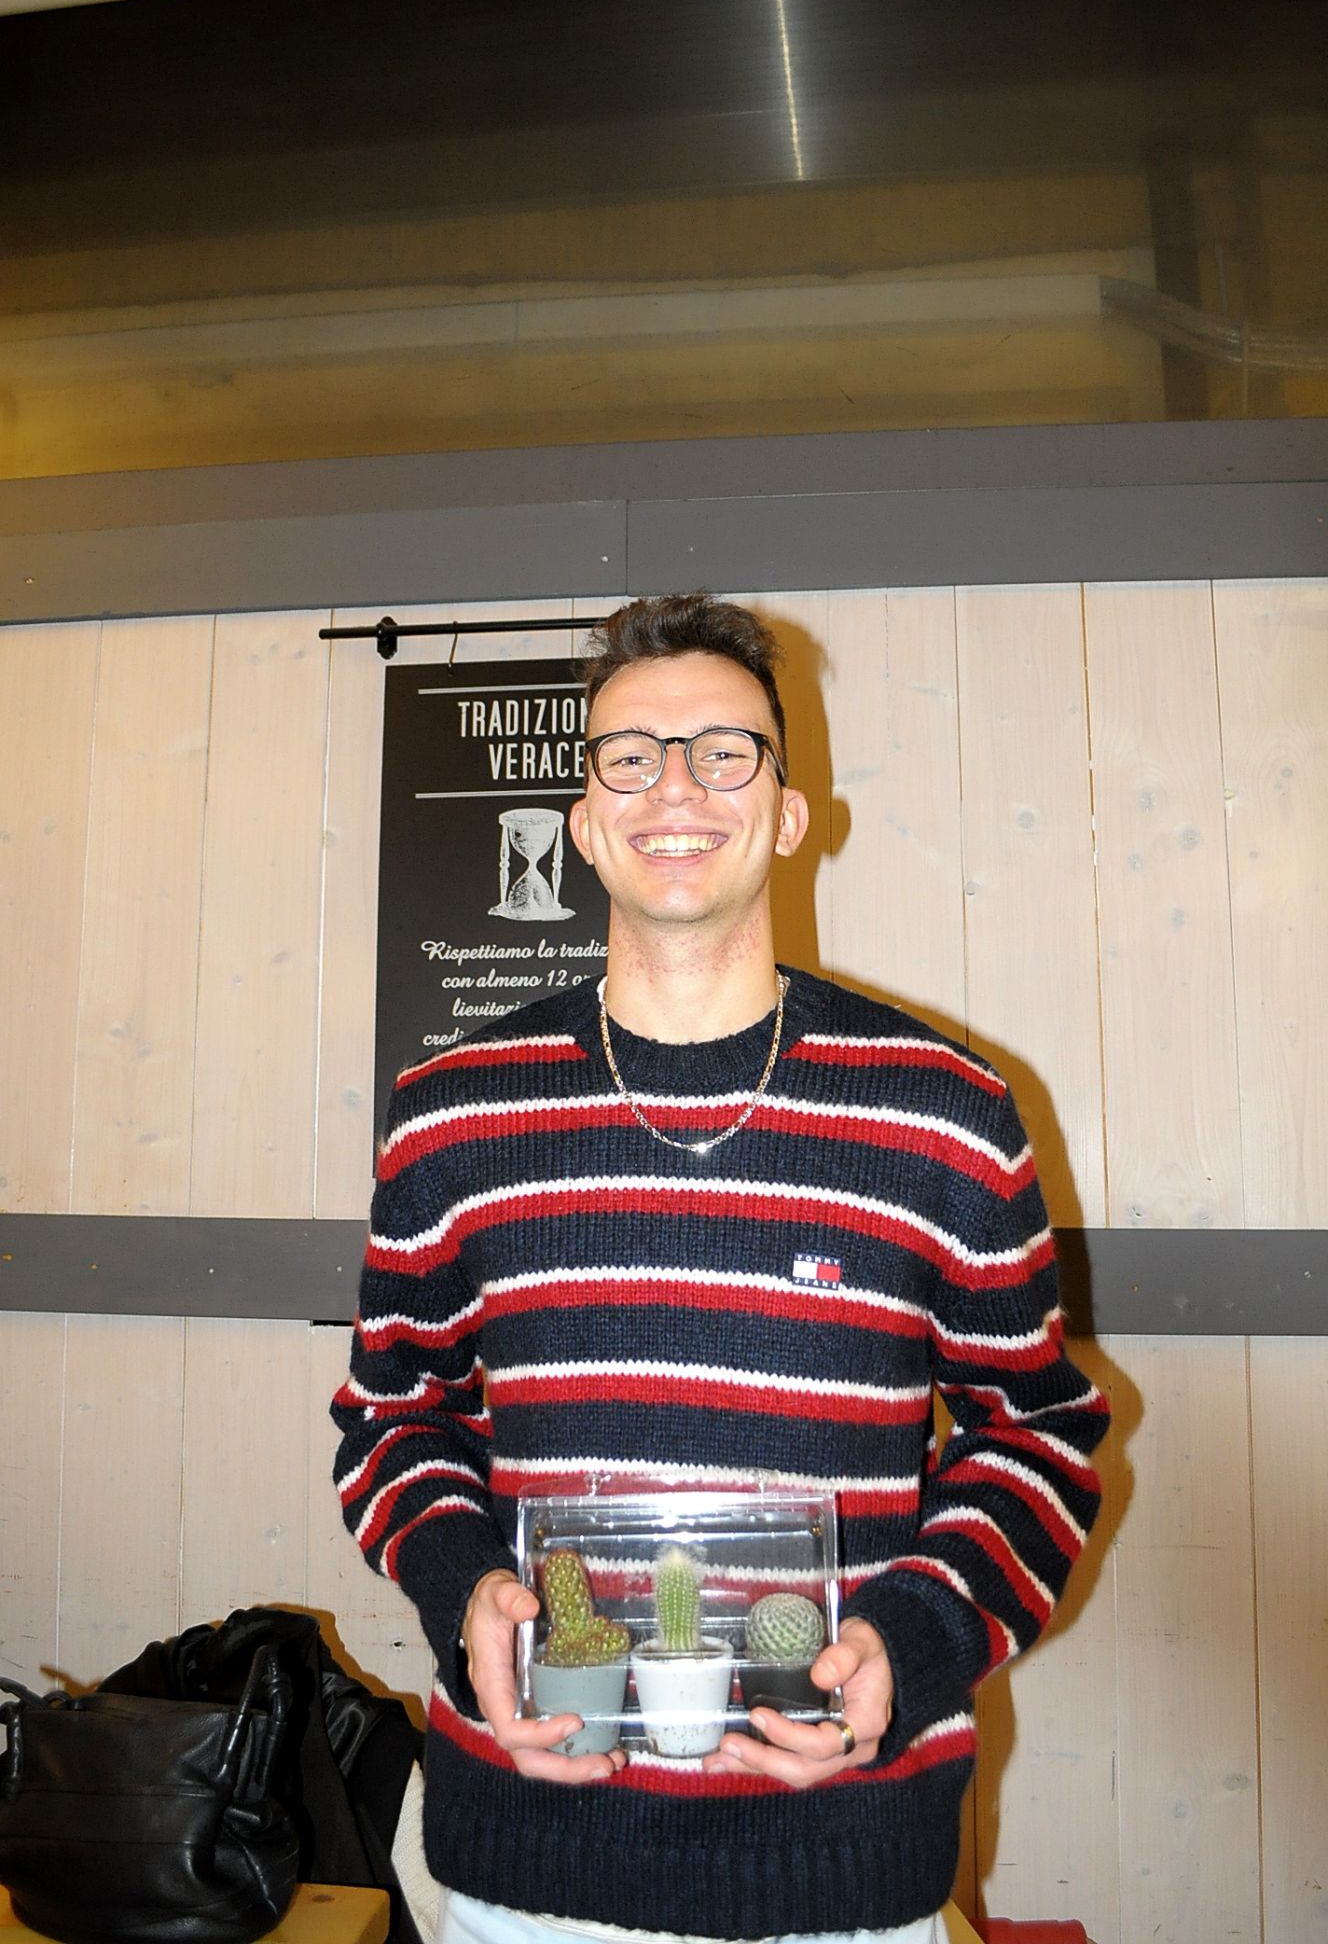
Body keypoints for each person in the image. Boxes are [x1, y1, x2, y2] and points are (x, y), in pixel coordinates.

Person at [332, 593, 1110, 1944]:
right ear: (584, 823)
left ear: (788, 813)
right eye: (631, 755)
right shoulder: (452, 1112)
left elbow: (1038, 1432)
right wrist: (466, 1590)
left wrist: (917, 1638)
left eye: (724, 751)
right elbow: (393, 1418)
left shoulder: (945, 1112)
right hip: (528, 1862)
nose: (676, 786)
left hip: (847, 1863)